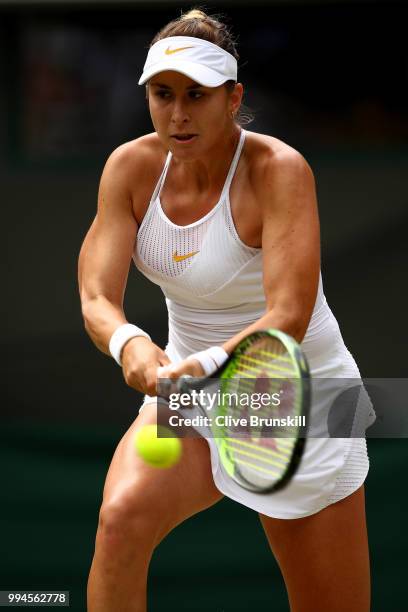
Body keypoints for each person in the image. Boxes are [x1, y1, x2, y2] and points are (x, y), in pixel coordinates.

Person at [78, 9, 373, 612]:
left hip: (300, 393)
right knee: (120, 522)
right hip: (192, 384)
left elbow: (289, 313)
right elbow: (96, 297)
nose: (178, 114)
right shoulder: (130, 168)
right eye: (163, 95)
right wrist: (129, 343)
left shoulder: (280, 171)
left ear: (233, 98)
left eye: (197, 96)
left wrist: (207, 364)